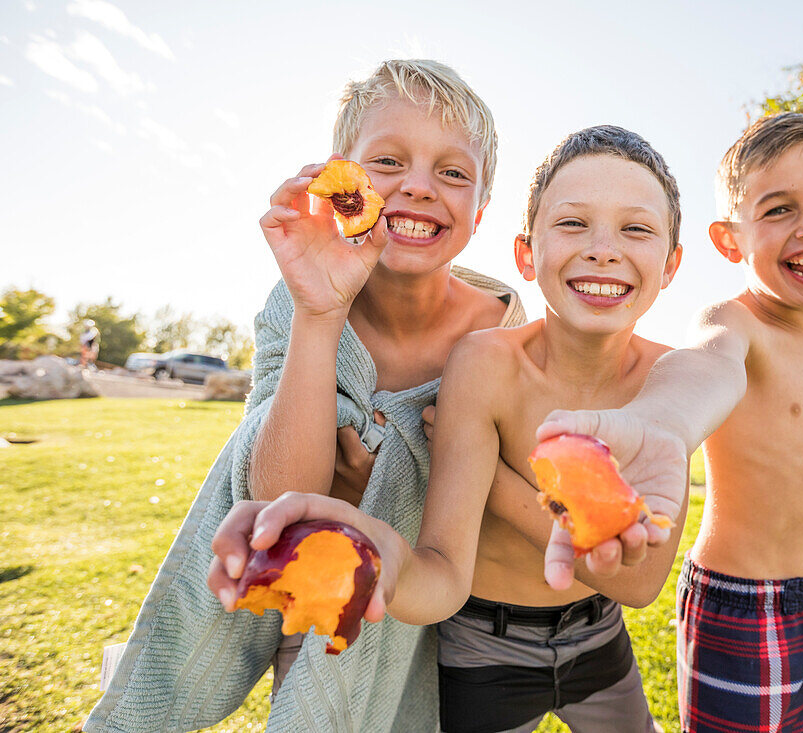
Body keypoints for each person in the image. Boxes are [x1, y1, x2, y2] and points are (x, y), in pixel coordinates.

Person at [85, 59, 526, 733]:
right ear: (337, 181)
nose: (417, 186)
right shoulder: (298, 295)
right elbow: (268, 495)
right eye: (386, 161)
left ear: (481, 210)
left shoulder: (505, 333)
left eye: (453, 172)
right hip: (295, 572)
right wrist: (319, 313)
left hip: (418, 617)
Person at [209, 125, 688, 733]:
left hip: (598, 636)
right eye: (572, 223)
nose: (602, 249)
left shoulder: (671, 381)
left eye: (636, 228)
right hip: (482, 649)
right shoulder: (484, 364)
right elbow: (440, 576)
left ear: (671, 263)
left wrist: (494, 480)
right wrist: (381, 552)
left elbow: (639, 582)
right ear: (525, 255)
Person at [535, 113, 803, 732]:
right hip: (745, 610)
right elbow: (705, 367)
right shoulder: (735, 324)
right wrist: (662, 425)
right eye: (779, 210)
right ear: (731, 240)